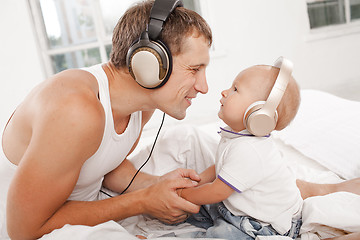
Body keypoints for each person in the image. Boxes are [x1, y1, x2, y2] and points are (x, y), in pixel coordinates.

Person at [0, 0, 213, 239]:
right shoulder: (75, 109)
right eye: (194, 70)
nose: (203, 87)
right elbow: (23, 230)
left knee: (187, 140)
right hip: (37, 227)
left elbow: (103, 165)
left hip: (90, 200)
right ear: (150, 63)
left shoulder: (144, 102)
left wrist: (156, 186)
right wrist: (143, 201)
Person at [173, 59, 307, 239]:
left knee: (221, 233)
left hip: (263, 224)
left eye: (235, 89)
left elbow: (218, 191)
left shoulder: (250, 150)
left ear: (259, 113)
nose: (225, 91)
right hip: (237, 209)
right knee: (195, 207)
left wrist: (186, 194)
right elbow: (223, 168)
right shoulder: (237, 136)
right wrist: (197, 181)